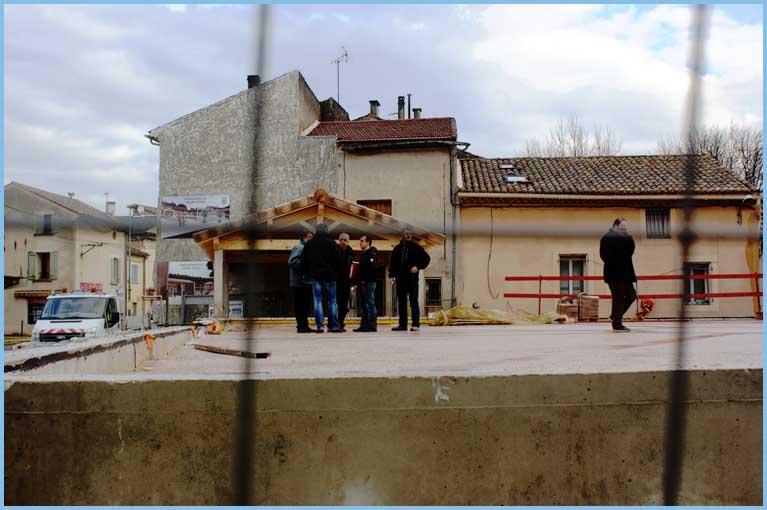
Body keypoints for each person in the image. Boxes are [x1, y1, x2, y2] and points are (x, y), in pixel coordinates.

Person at [300, 223, 343, 333]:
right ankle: (334, 326)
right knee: (332, 301)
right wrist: (336, 273)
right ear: (326, 231)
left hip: (315, 276)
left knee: (317, 301)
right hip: (330, 276)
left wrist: (307, 273)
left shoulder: (310, 244)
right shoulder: (332, 243)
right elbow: (339, 260)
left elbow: (304, 261)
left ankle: (320, 326)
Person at [599, 218, 637, 332]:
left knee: (632, 295)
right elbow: (604, 255)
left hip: (626, 273)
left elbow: (631, 250)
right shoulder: (607, 238)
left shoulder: (627, 237)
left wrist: (628, 237)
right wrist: (617, 261)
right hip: (614, 273)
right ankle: (617, 324)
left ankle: (615, 316)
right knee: (618, 298)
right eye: (622, 228)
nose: (624, 231)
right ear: (615, 226)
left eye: (625, 229)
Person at [389, 229, 430, 331]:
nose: (408, 236)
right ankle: (402, 325)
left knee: (413, 302)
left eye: (410, 234)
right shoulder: (397, 249)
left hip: (412, 280)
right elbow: (392, 263)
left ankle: (415, 324)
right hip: (400, 280)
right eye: (406, 234)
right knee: (401, 303)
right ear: (402, 236)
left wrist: (418, 267)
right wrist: (392, 275)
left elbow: (426, 258)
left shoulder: (416, 247)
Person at [288, 230, 315, 333]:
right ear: (304, 237)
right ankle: (301, 326)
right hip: (299, 282)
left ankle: (305, 325)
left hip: (306, 282)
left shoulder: (307, 249)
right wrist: (305, 267)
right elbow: (292, 261)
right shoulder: (299, 247)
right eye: (310, 237)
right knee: (300, 305)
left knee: (306, 305)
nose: (311, 239)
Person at [353, 235, 379, 332]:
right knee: (364, 305)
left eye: (362, 241)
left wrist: (365, 279)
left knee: (370, 303)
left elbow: (372, 269)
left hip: (369, 283)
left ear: (368, 242)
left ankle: (372, 325)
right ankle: (364, 325)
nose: (360, 243)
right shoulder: (364, 254)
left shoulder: (371, 254)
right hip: (363, 283)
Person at [336, 232, 355, 332]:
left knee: (343, 304)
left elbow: (353, 268)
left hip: (346, 283)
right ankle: (334, 323)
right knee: (335, 303)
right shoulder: (334, 250)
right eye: (341, 240)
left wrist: (353, 282)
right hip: (335, 282)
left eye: (345, 240)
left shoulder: (351, 252)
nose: (342, 241)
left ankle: (341, 323)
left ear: (348, 241)